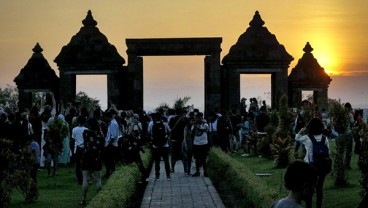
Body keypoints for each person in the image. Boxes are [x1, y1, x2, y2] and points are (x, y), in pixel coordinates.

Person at [295, 117, 330, 208]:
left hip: (309, 166)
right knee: (319, 189)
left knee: (309, 189)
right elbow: (328, 152)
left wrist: (301, 130)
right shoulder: (325, 139)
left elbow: (296, 138)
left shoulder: (307, 138)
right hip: (322, 166)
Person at [79, 118, 104, 205]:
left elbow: (85, 142)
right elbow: (102, 143)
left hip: (87, 156)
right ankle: (99, 200)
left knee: (85, 179)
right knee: (98, 179)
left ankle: (83, 199)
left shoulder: (86, 132)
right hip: (96, 157)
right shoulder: (100, 133)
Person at [148, 112, 171, 180]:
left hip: (156, 146)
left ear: (154, 117)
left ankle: (157, 176)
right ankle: (168, 176)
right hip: (165, 145)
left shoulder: (151, 124)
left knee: (157, 161)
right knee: (166, 161)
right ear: (161, 117)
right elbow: (169, 132)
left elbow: (149, 133)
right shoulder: (165, 124)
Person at [168, 107, 187, 173]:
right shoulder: (185, 119)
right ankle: (185, 169)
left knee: (173, 155)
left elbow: (170, 127)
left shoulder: (172, 119)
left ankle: (172, 168)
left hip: (174, 140)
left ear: (175, 112)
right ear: (182, 112)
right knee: (184, 154)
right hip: (183, 140)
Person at [191, 112, 209, 177]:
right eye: (196, 117)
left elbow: (206, 129)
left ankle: (205, 172)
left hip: (204, 144)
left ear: (202, 117)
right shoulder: (193, 125)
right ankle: (197, 172)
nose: (197, 119)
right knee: (197, 159)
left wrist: (199, 128)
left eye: (199, 117)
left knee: (203, 159)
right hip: (196, 144)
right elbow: (191, 134)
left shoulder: (205, 124)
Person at [103, 109, 120, 178]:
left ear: (108, 116)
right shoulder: (111, 123)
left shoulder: (113, 123)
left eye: (105, 117)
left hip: (111, 145)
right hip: (110, 144)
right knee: (108, 160)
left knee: (110, 161)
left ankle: (111, 174)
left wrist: (108, 145)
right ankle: (108, 173)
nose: (105, 118)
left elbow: (113, 137)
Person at [72, 116, 88, 184]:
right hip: (84, 148)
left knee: (78, 164)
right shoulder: (86, 129)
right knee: (85, 164)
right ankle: (85, 178)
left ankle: (79, 179)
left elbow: (73, 138)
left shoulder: (74, 129)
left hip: (77, 148)